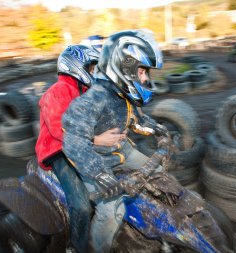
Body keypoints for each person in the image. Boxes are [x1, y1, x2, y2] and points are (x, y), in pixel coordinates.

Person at [62, 29, 163, 253]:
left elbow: (136, 121)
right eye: (142, 71)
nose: (145, 78)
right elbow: (73, 141)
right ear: (123, 66)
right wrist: (100, 173)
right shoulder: (93, 98)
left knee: (158, 175)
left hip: (122, 151)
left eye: (146, 72)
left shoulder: (121, 95)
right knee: (111, 209)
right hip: (96, 161)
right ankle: (98, 247)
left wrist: (159, 130)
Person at [34, 44, 127, 253]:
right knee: (81, 204)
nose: (95, 72)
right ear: (76, 66)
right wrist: (97, 140)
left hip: (81, 145)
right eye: (92, 68)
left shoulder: (85, 92)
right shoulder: (55, 92)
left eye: (96, 69)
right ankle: (76, 246)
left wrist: (115, 131)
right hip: (56, 151)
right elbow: (60, 130)